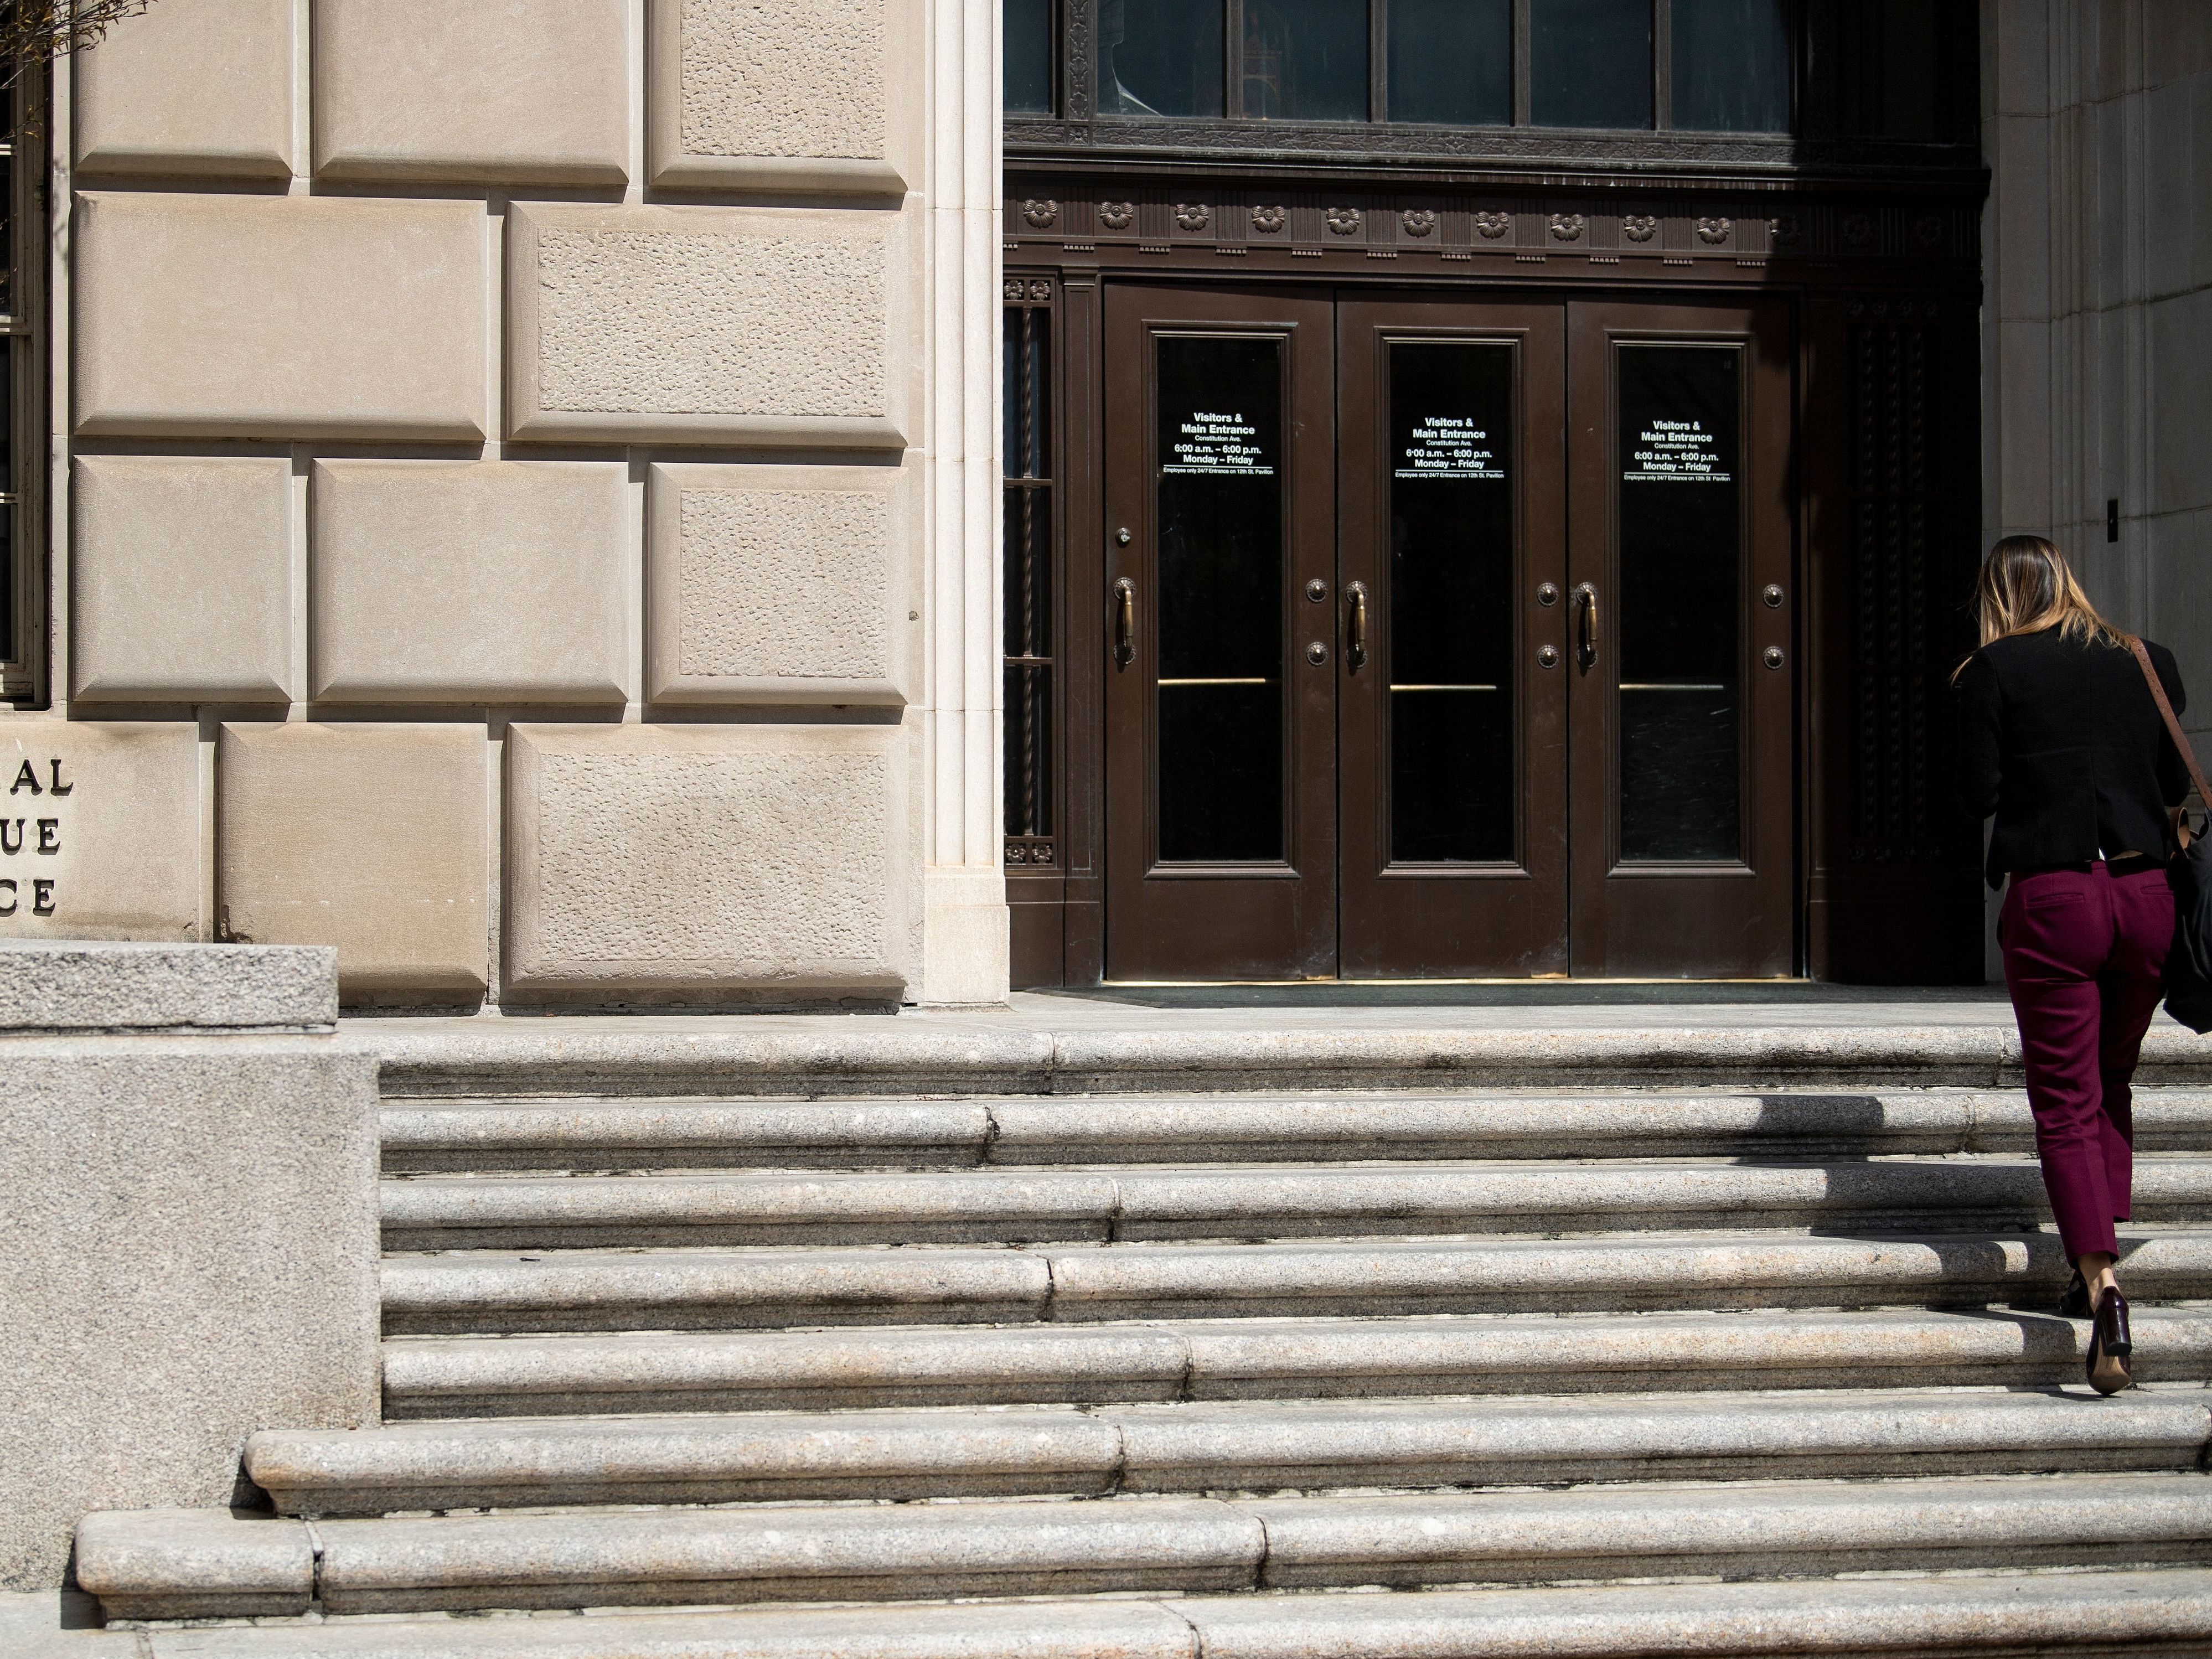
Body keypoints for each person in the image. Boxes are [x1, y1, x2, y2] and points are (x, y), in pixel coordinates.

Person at [1953, 535, 2192, 1394]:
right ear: (2069, 583)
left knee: (2064, 1101)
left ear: (1999, 597)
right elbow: (2168, 778)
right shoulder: (2146, 657)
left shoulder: (1994, 670)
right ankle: (2094, 1252)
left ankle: (2104, 1288)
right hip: (2146, 898)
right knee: (2112, 1075)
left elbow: (1979, 794)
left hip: (2058, 896)